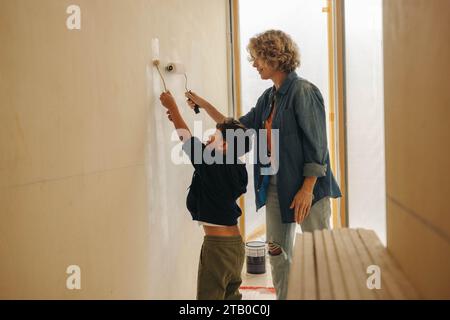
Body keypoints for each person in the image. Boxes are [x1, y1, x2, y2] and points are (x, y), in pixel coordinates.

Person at [184, 30, 342, 300]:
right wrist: (203, 104)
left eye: (257, 58)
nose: (254, 64)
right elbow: (237, 129)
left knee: (318, 255)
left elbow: (318, 146)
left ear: (275, 57)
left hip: (309, 189)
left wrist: (307, 188)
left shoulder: (303, 91)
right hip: (275, 187)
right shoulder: (268, 99)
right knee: (277, 253)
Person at [159, 91, 251, 300]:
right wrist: (178, 118)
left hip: (218, 248)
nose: (209, 137)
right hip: (235, 247)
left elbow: (188, 140)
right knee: (231, 299)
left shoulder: (213, 163)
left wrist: (172, 107)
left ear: (225, 145)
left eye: (214, 136)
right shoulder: (236, 167)